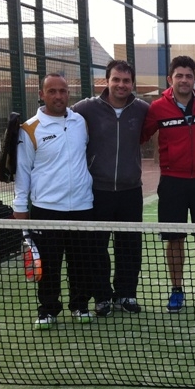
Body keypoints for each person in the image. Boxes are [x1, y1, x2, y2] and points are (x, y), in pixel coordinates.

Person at [13, 73, 103, 329]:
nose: (58, 96)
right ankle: (48, 309)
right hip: (46, 209)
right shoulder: (29, 129)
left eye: (62, 91)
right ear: (41, 94)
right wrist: (20, 210)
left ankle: (80, 305)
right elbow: (23, 173)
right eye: (52, 91)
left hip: (83, 206)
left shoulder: (80, 123)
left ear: (68, 93)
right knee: (49, 264)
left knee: (81, 261)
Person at [141, 55, 195, 312]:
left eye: (189, 76)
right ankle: (177, 289)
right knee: (174, 239)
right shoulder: (157, 108)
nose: (184, 80)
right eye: (179, 75)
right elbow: (141, 135)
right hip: (172, 182)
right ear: (170, 79)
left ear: (194, 79)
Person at [73, 60, 149, 314]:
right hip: (97, 191)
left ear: (132, 83)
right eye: (116, 79)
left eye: (126, 80)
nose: (121, 85)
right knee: (97, 247)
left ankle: (126, 294)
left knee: (129, 246)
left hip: (130, 190)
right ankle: (103, 296)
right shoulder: (85, 108)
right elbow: (58, 117)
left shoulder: (142, 109)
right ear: (106, 81)